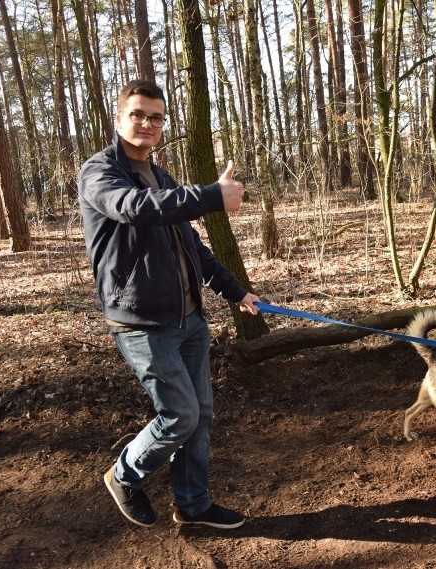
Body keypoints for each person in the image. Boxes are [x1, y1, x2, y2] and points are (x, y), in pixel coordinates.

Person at [78, 79, 260, 529]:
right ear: (119, 119)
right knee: (179, 415)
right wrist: (212, 195)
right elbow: (135, 208)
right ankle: (125, 474)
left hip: (189, 318)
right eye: (138, 114)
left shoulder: (161, 177)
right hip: (141, 321)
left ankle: (193, 505)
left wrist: (236, 292)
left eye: (156, 117)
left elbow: (191, 247)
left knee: (200, 417)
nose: (147, 123)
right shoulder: (99, 172)